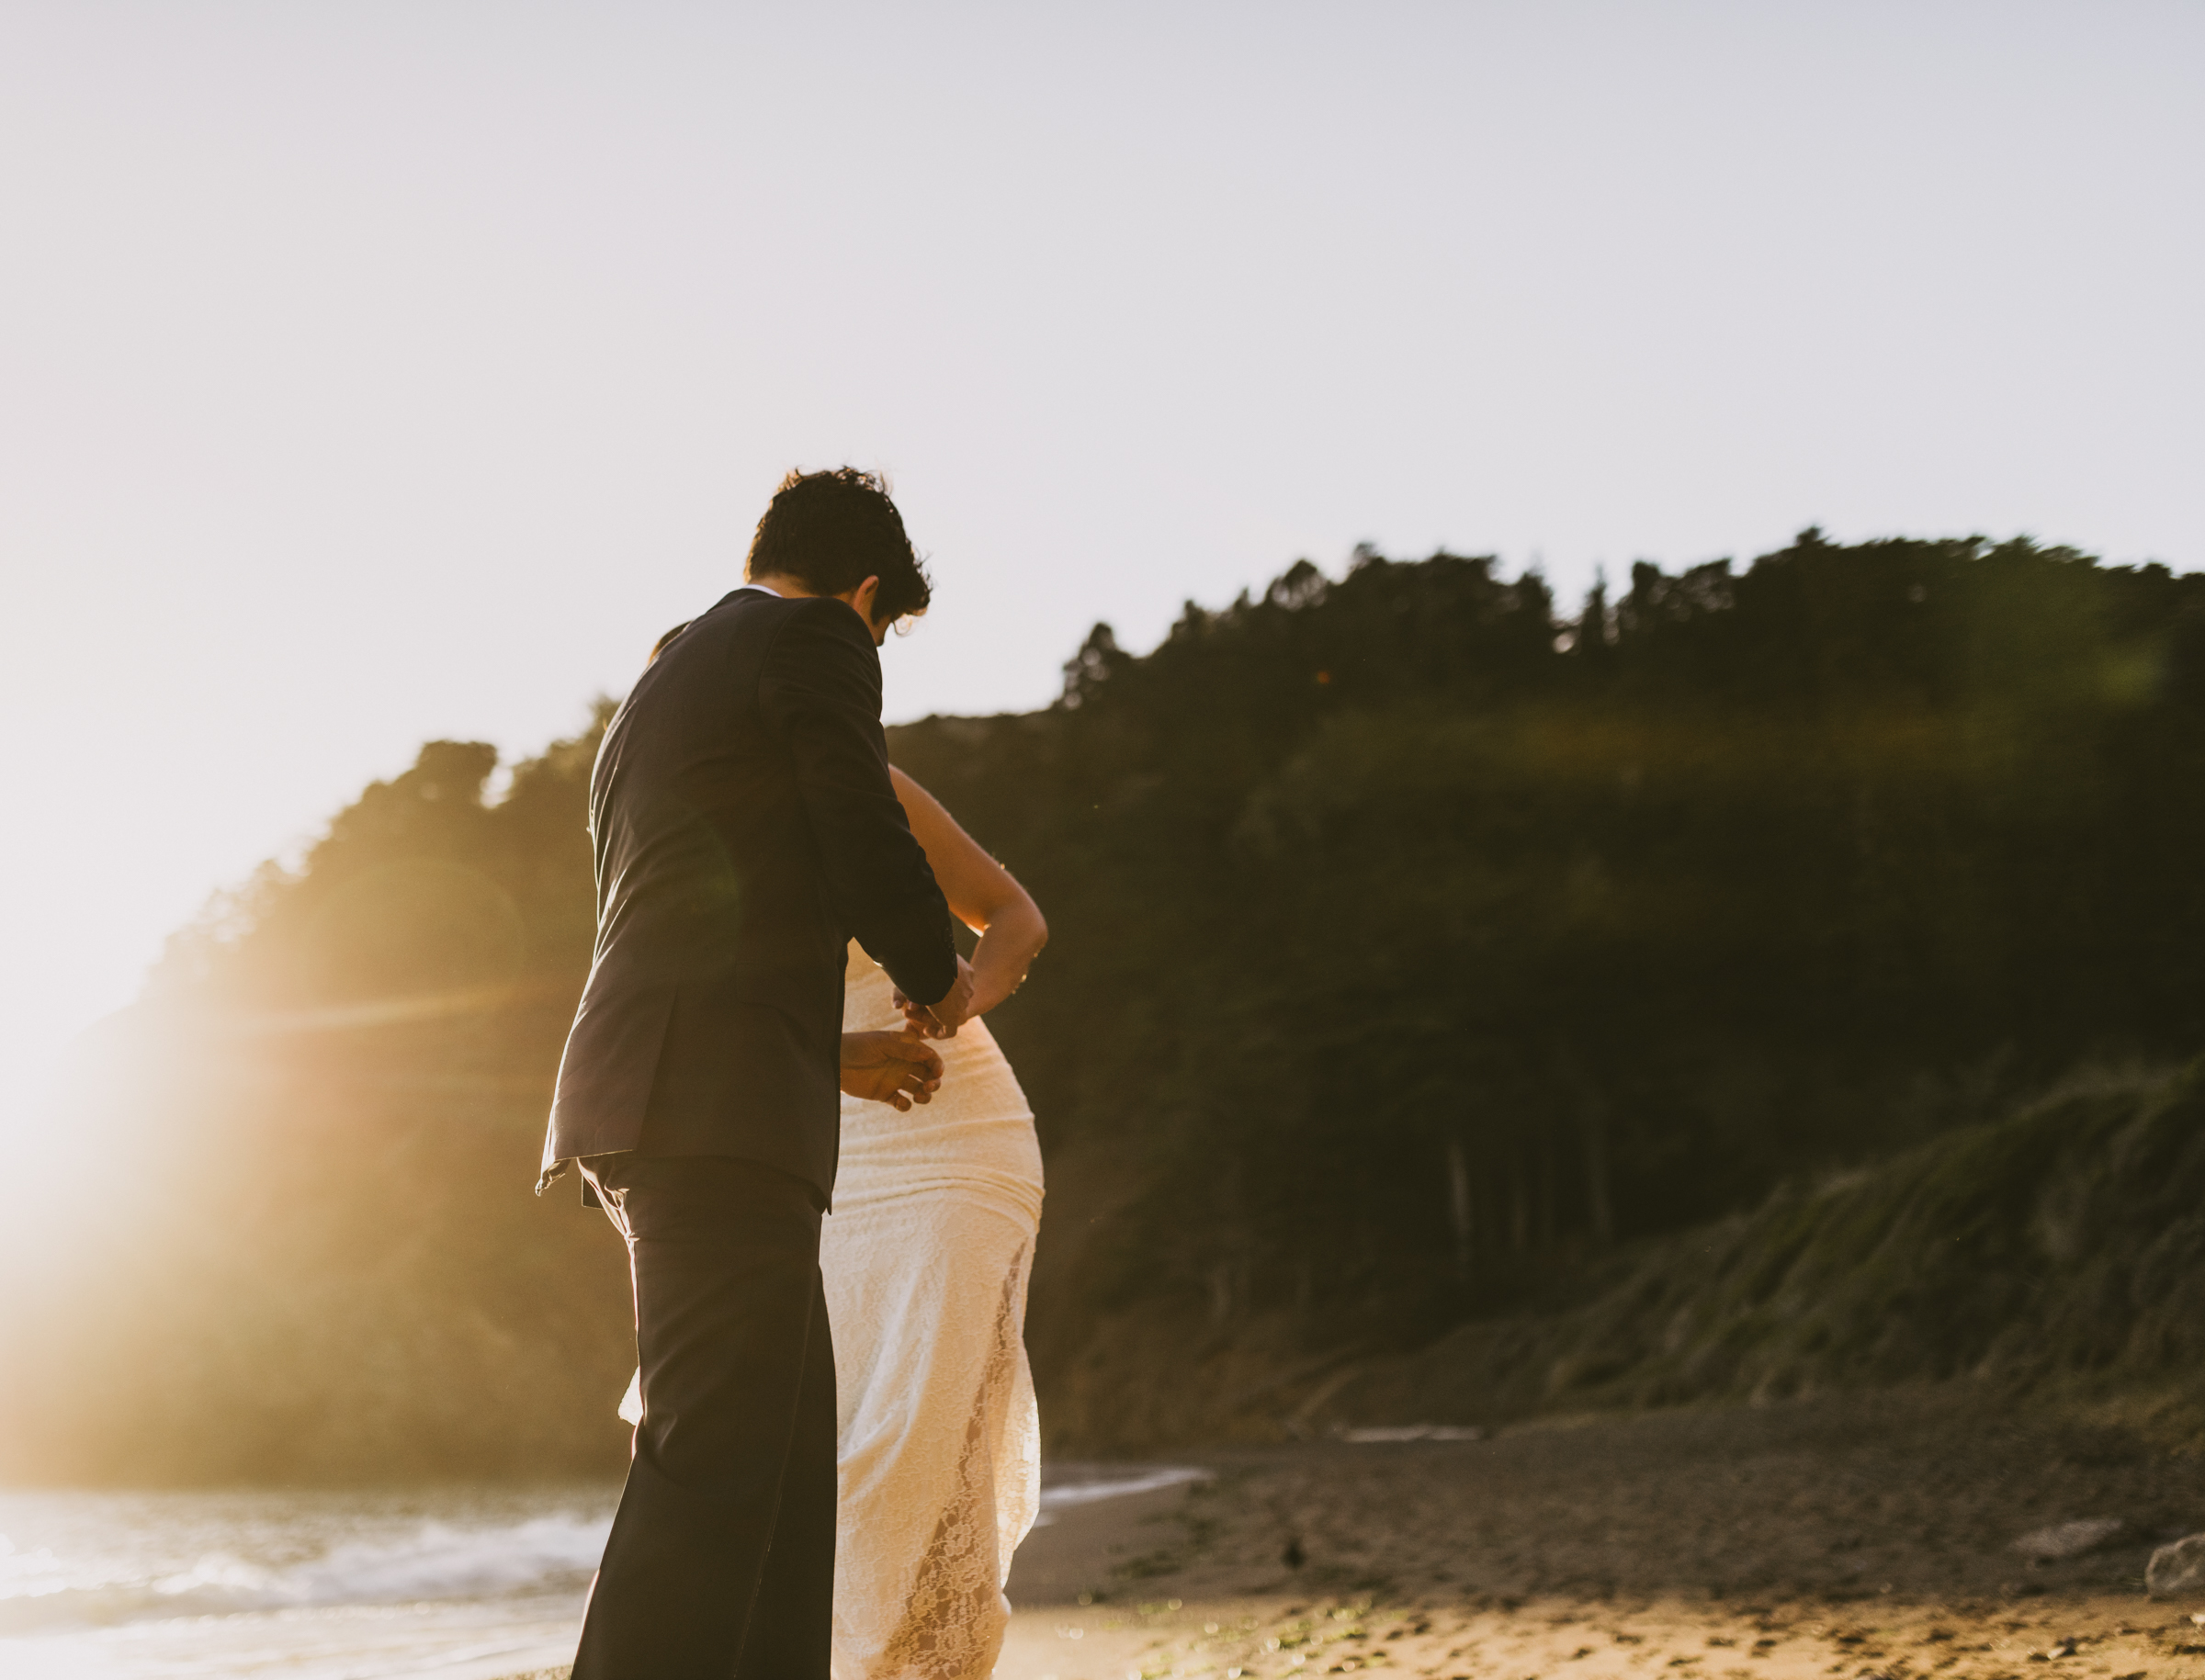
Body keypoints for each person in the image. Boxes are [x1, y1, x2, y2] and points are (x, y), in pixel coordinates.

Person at [539, 468, 977, 1680]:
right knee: (714, 1465)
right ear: (868, 591)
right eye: (883, 628)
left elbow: (693, 921)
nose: (874, 647)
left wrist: (830, 1055)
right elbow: (857, 820)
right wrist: (937, 974)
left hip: (688, 1092)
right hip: (708, 1112)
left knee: (778, 1480)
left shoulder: (659, 693)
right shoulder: (813, 635)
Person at [617, 763, 1049, 1680]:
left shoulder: (857, 778)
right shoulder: (663, 824)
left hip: (954, 1145)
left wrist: (964, 996)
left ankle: (934, 1662)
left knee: (921, 1443)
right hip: (804, 1139)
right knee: (808, 1442)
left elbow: (1014, 915)